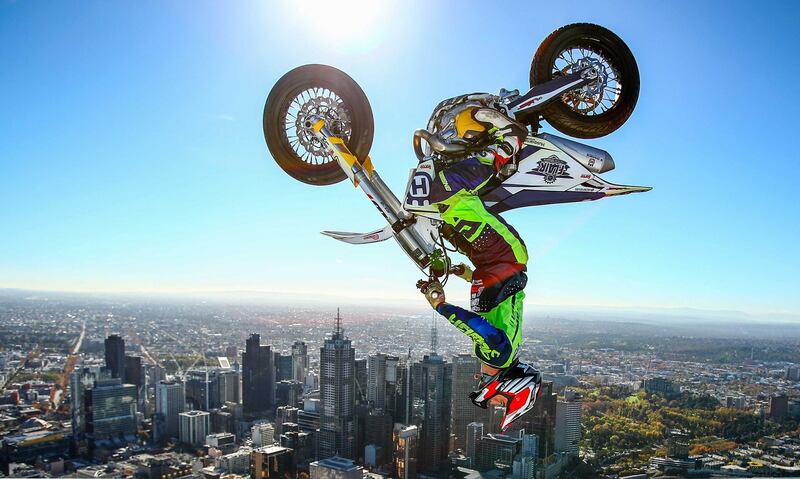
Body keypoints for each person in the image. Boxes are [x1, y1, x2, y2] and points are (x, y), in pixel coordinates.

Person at [418, 96, 542, 430]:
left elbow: (496, 295)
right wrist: (441, 307)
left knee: (444, 221)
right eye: (502, 402)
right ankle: (509, 141)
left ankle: (457, 151)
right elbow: (480, 327)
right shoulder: (499, 355)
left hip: (496, 260)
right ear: (512, 388)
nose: (492, 400)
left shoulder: (504, 352)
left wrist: (462, 273)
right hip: (501, 253)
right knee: (448, 195)